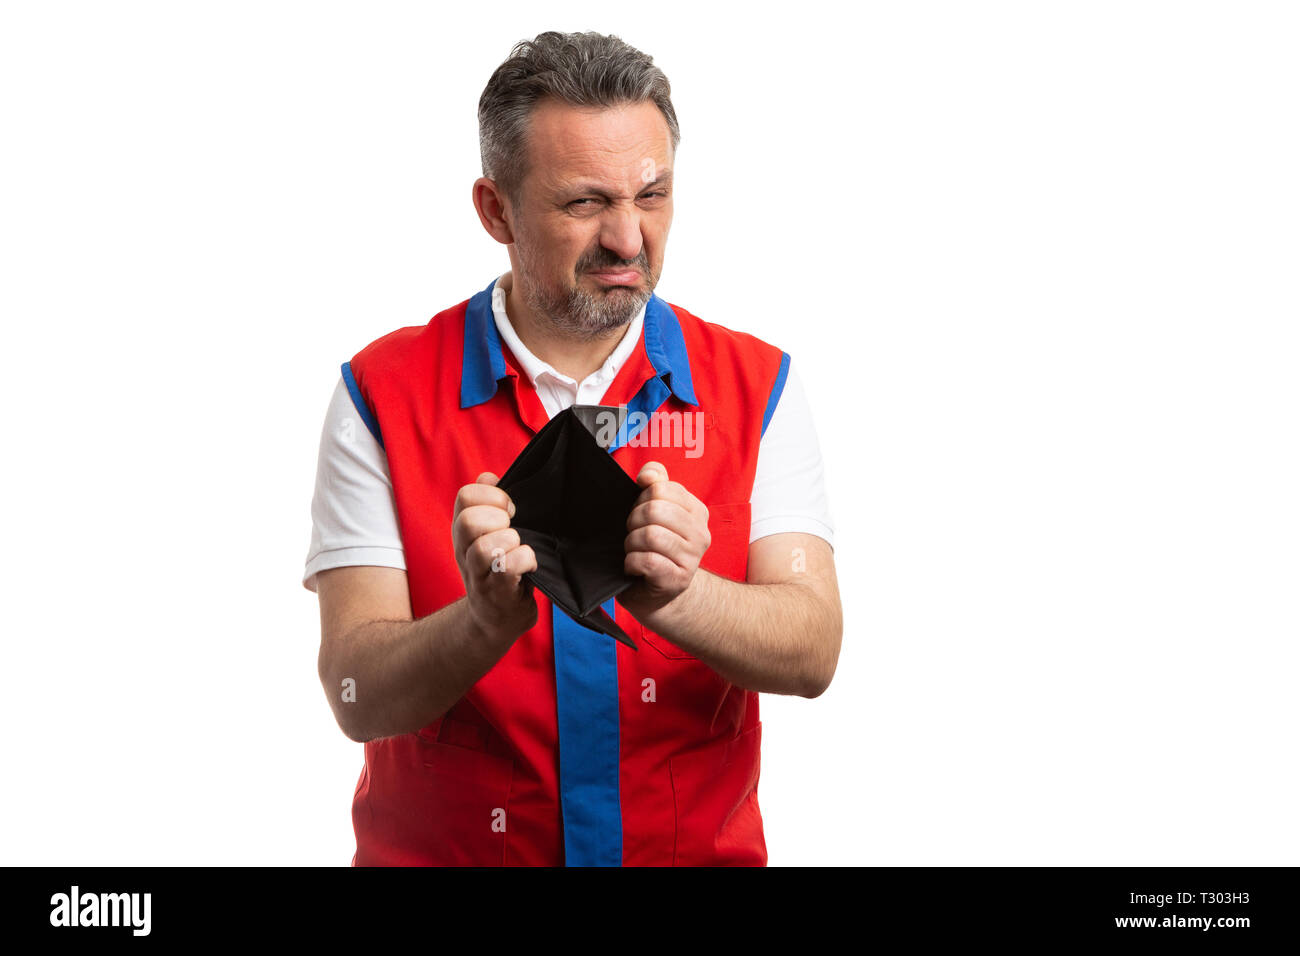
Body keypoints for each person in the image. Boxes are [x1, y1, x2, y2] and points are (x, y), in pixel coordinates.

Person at [303, 30, 842, 866]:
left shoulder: (756, 386)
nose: (629, 239)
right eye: (585, 202)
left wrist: (682, 596)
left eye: (652, 196)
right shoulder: (381, 395)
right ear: (496, 210)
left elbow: (813, 652)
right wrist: (480, 622)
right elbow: (355, 695)